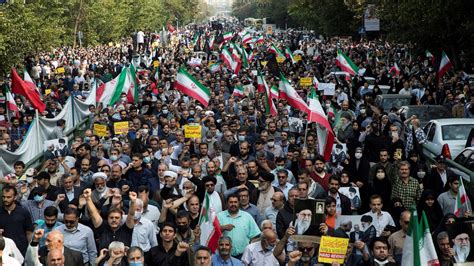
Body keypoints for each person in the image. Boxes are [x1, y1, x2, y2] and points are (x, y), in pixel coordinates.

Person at [217, 194, 261, 258]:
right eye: (231, 202)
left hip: (243, 256)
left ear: (239, 203)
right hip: (223, 255)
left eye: (235, 202)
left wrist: (250, 248)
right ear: (227, 204)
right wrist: (223, 228)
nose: (233, 204)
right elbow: (212, 233)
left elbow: (255, 235)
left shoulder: (247, 216)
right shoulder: (219, 216)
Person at [0, 185, 33, 255]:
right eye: (4, 197)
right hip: (4, 250)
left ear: (15, 197)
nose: (5, 199)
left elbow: (29, 233)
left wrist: (31, 250)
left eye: (8, 197)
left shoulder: (23, 212)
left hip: (21, 250)